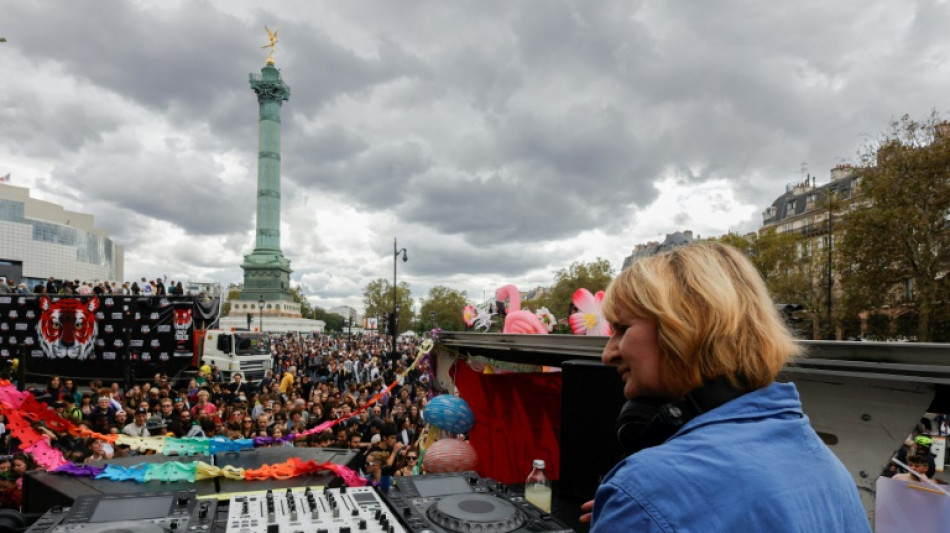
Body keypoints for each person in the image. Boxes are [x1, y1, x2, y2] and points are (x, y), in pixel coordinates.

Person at [583, 242, 870, 532]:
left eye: (622, 329)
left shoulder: (643, 491)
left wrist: (634, 508)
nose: (608, 354)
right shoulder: (830, 469)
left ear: (684, 329)